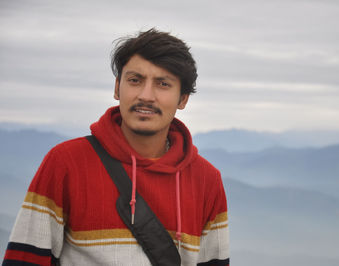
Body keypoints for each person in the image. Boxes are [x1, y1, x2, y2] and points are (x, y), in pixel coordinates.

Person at [2, 29, 229, 266]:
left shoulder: (206, 180)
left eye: (163, 84)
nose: (146, 95)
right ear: (117, 87)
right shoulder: (66, 163)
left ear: (182, 99)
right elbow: (24, 260)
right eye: (134, 80)